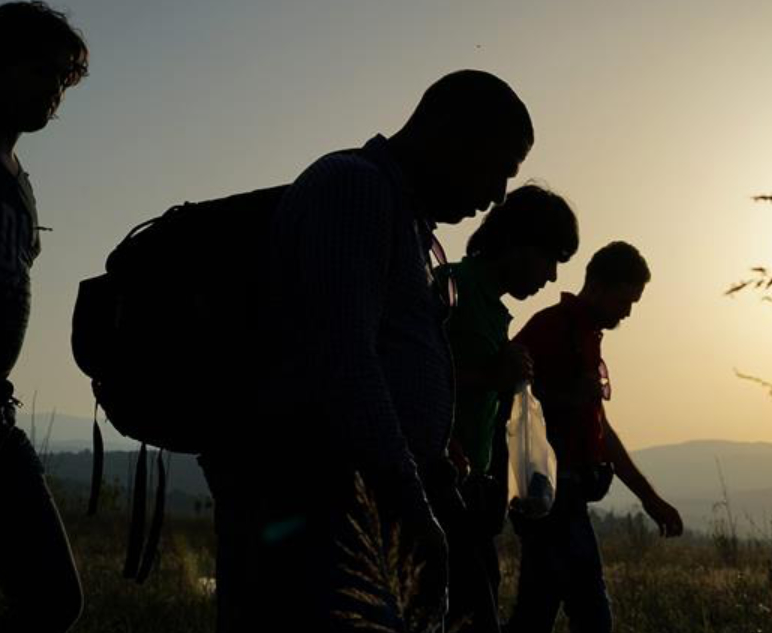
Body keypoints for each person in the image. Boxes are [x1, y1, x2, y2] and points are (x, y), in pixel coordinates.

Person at [200, 69, 534, 632]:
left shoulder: (407, 221)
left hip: (356, 505)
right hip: (319, 506)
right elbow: (344, 360)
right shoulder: (353, 190)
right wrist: (409, 496)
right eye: (500, 168)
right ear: (452, 133)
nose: (499, 195)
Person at [0, 2, 87, 631]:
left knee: (54, 600)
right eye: (41, 71)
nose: (53, 92)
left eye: (63, 79)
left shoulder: (21, 182)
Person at [506, 241, 684, 633]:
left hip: (564, 498)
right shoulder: (551, 327)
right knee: (590, 615)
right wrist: (569, 398)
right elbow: (507, 401)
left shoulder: (586, 336)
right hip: (551, 497)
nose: (627, 313)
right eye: (624, 301)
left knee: (537, 612)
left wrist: (649, 499)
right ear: (599, 286)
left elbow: (598, 431)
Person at [437, 184, 579, 632]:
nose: (552, 277)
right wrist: (492, 377)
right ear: (517, 242)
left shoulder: (496, 313)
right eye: (549, 258)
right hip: (436, 491)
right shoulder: (450, 288)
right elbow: (405, 378)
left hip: (472, 495)